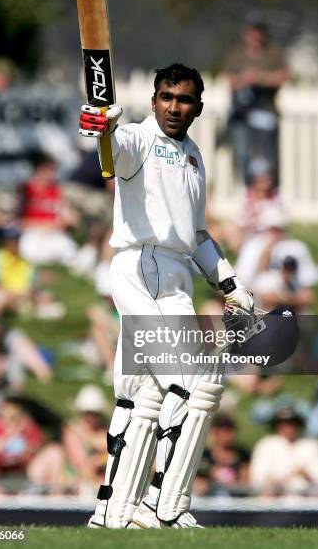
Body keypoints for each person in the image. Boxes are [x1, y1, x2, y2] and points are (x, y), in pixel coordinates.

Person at [78, 64, 254, 529]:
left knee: (142, 393)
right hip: (139, 266)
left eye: (184, 99)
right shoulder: (137, 138)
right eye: (166, 97)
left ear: (198, 107)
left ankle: (112, 512)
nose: (173, 107)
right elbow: (112, 150)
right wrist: (101, 124)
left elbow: (196, 234)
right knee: (195, 381)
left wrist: (231, 285)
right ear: (154, 100)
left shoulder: (194, 155)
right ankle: (166, 505)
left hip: (176, 276)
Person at [223, 14, 289, 181]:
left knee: (267, 156)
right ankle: (248, 190)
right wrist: (243, 80)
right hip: (241, 113)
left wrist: (259, 78)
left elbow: (283, 76)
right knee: (242, 153)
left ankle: (268, 193)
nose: (255, 35)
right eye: (252, 31)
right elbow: (229, 79)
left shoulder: (273, 53)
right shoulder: (236, 53)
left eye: (259, 31)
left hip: (265, 111)